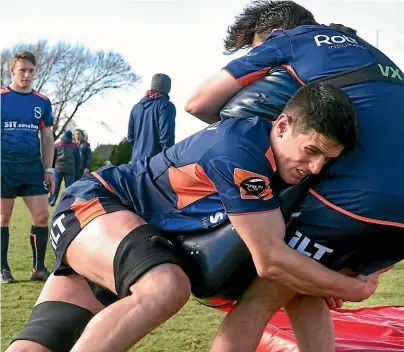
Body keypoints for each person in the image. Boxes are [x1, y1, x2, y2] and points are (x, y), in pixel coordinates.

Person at [8, 82, 379, 352]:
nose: (315, 167)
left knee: (43, 342)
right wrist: (351, 287)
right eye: (311, 151)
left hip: (135, 234)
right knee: (165, 288)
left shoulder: (271, 151)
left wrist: (322, 280)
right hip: (96, 205)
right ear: (282, 126)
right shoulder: (242, 152)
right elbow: (270, 261)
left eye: (326, 159)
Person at [184, 1, 404, 351]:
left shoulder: (290, 41)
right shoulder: (374, 55)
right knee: (305, 295)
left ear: (273, 35)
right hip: (395, 226)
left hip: (351, 204)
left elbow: (198, 103)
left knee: (257, 302)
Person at [1, 51, 55, 283]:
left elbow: (47, 137)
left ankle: (38, 268)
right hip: (4, 167)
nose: (27, 75)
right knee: (3, 217)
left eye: (31, 70)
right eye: (22, 70)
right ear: (12, 71)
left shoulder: (41, 102)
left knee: (42, 216)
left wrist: (49, 169)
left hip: (32, 168)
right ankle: (3, 269)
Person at [127, 73, 176, 162]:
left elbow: (130, 137)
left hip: (135, 163)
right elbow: (166, 136)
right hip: (155, 164)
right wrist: (170, 160)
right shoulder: (167, 106)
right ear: (168, 88)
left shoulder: (136, 107)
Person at [48, 130, 81, 206]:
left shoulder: (57, 145)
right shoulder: (75, 146)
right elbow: (78, 159)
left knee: (55, 186)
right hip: (70, 169)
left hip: (58, 168)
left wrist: (52, 168)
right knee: (69, 187)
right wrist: (76, 168)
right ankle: (67, 203)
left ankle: (51, 202)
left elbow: (53, 157)